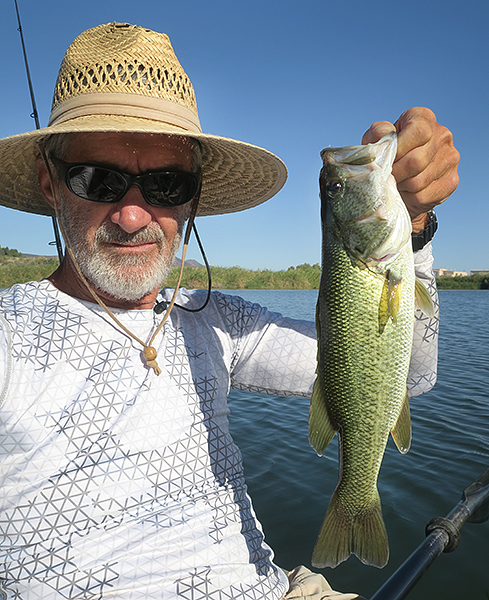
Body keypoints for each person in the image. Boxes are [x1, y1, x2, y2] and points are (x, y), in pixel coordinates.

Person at [0, 22, 459, 600]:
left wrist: (413, 229)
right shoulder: (8, 337)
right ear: (50, 183)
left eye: (166, 183)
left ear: (192, 197)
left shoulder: (222, 324)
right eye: (98, 180)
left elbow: (410, 375)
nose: (133, 216)